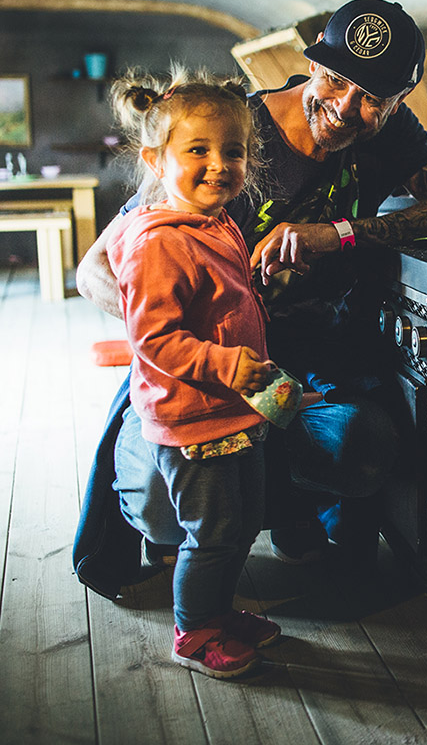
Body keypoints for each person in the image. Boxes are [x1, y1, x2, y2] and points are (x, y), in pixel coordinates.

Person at [73, 0, 427, 597]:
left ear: (398, 102)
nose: (347, 108)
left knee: (361, 443)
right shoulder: (225, 133)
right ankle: (205, 549)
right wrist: (186, 338)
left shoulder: (390, 131)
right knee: (155, 492)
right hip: (204, 368)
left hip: (306, 360)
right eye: (337, 80)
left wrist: (339, 234)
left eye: (373, 99)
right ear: (313, 61)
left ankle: (284, 512)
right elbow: (94, 272)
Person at [104, 68, 312, 678]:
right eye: (198, 150)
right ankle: (194, 633)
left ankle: (218, 613)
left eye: (234, 151)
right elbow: (155, 339)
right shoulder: (156, 244)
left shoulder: (216, 222)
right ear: (155, 158)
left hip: (233, 407)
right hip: (193, 418)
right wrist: (226, 362)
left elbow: (217, 300)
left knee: (244, 521)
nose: (219, 164)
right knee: (213, 532)